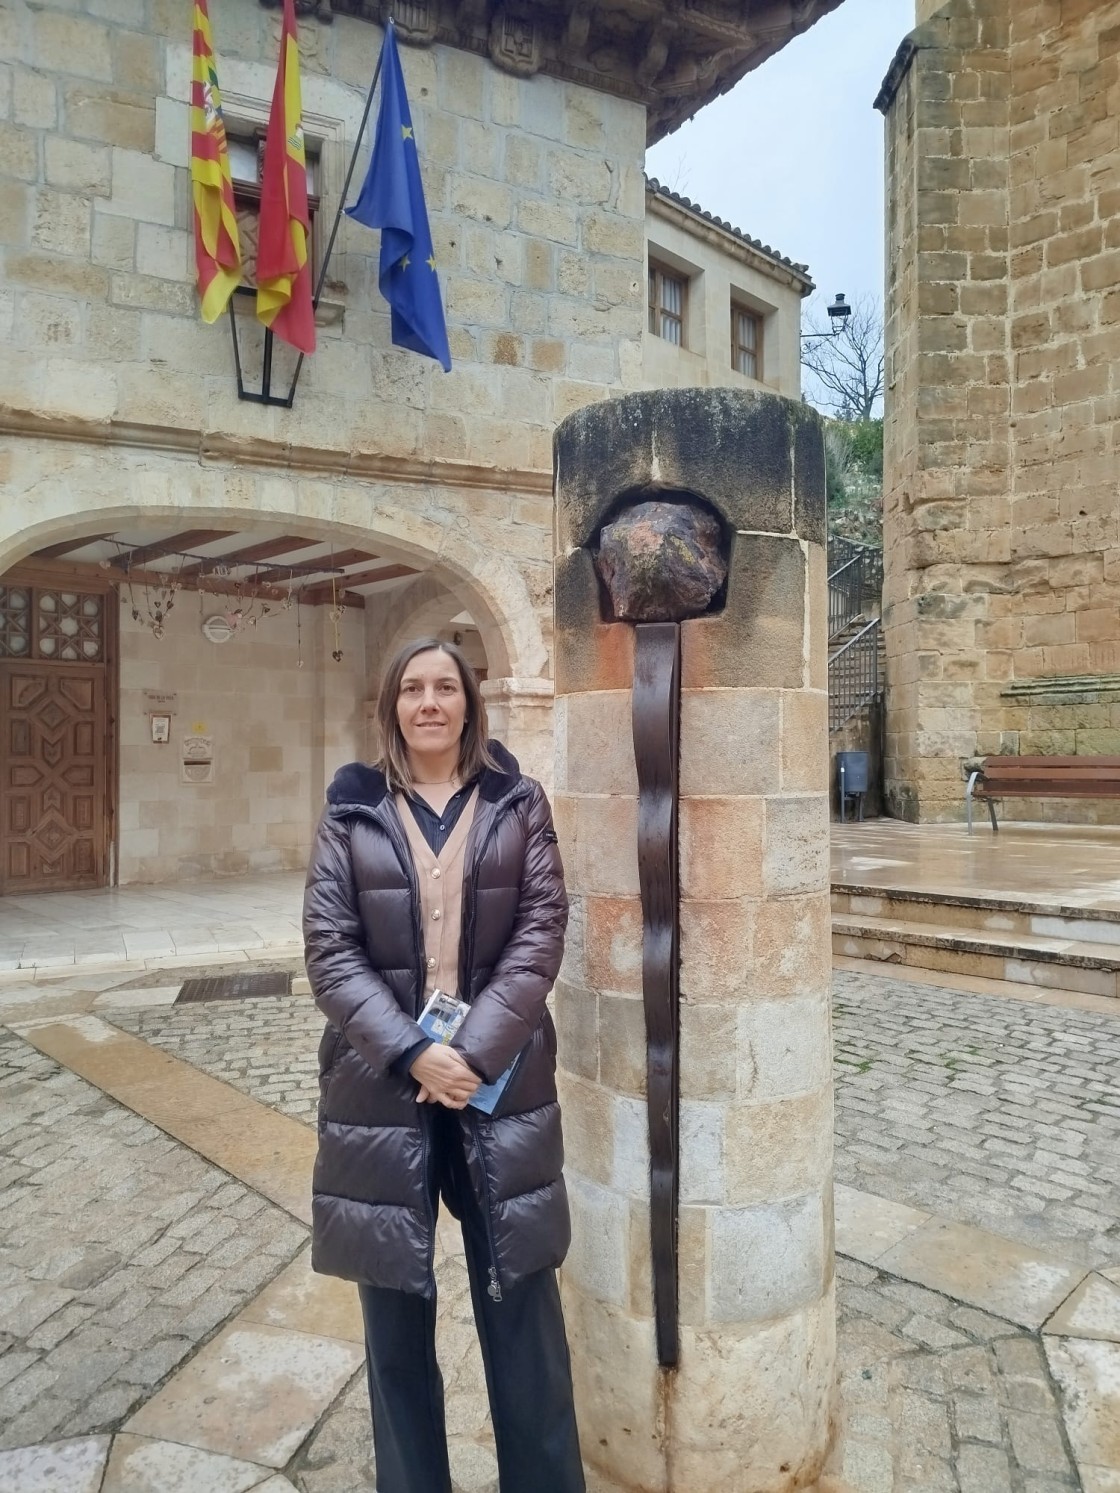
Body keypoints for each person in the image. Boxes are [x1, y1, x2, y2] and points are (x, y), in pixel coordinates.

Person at [303, 636, 585, 1493]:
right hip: (380, 1088)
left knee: (522, 1305)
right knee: (394, 1317)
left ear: (470, 702)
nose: (429, 701)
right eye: (413, 688)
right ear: (392, 704)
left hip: (501, 1087)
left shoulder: (517, 803)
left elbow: (541, 932)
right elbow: (329, 948)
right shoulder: (351, 812)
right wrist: (415, 1051)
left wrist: (471, 1053)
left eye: (445, 687)